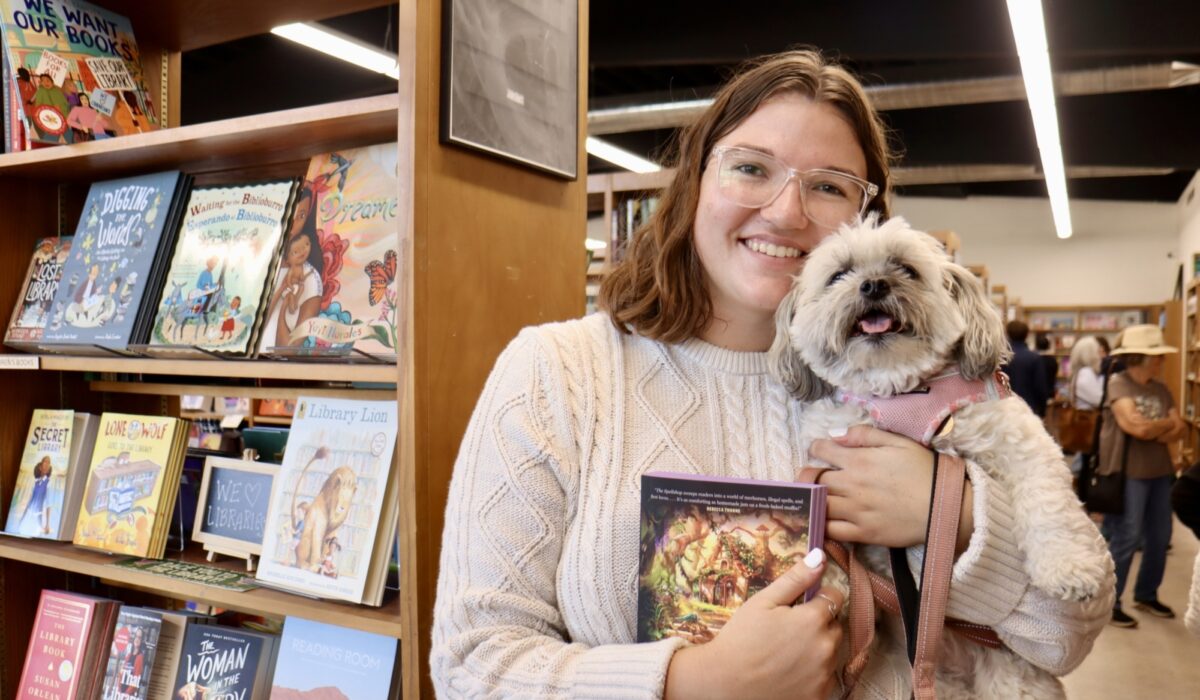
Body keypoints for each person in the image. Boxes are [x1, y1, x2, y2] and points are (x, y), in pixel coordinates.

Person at [431, 49, 1112, 698]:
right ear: (697, 179)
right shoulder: (559, 374)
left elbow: (1068, 641)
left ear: (864, 216)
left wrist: (953, 517)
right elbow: (470, 665)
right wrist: (691, 684)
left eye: (827, 186)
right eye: (751, 168)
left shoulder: (904, 391)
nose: (787, 212)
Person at [1099, 324, 1187, 628]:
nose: (1161, 361)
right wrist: (1164, 425)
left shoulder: (1160, 388)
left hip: (1160, 471)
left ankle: (1146, 594)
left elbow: (1181, 429)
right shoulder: (1118, 384)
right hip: (1128, 474)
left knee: (1160, 537)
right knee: (1126, 536)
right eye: (1157, 356)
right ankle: (1110, 604)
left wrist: (1155, 427)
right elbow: (1136, 428)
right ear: (1143, 357)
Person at [1065, 336, 1106, 474]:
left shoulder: (1079, 372)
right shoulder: (1087, 373)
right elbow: (1100, 399)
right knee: (1086, 463)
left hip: (1085, 423)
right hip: (1090, 423)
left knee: (1084, 460)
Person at [1002, 319, 1051, 417]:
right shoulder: (1034, 358)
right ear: (1027, 335)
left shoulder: (1001, 357)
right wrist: (1042, 410)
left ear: (1007, 334)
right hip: (1029, 409)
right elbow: (1040, 387)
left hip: (1004, 410)